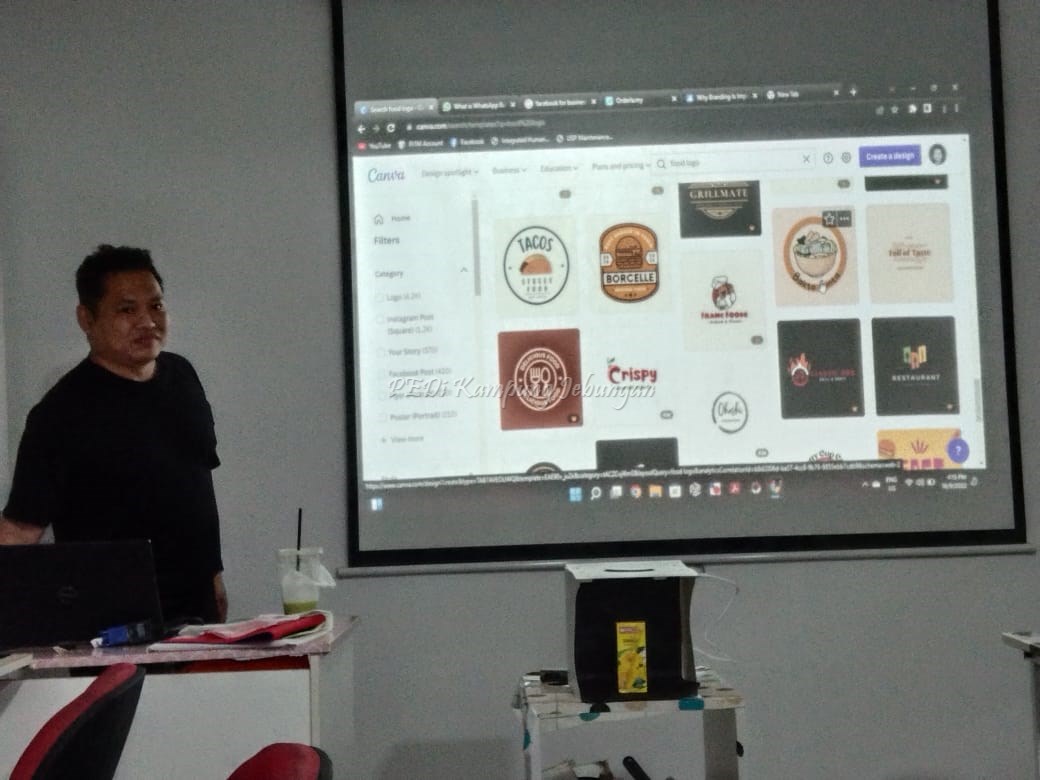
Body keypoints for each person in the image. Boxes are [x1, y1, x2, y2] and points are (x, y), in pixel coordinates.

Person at [0, 245, 228, 623]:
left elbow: (197, 485)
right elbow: (21, 530)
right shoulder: (59, 415)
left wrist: (214, 575)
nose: (147, 322)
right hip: (110, 622)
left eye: (156, 306)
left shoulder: (182, 376)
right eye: (126, 310)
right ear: (86, 319)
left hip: (196, 613)